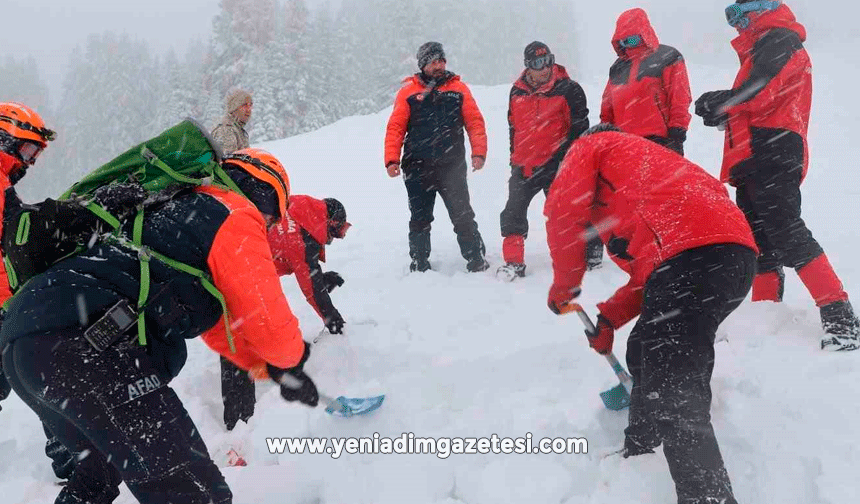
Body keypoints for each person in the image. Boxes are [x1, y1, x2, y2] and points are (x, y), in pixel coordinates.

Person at [1, 147, 318, 504]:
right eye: (274, 220)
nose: (271, 228)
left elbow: (222, 328)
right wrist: (291, 360)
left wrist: (268, 368)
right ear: (269, 199)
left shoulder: (168, 210)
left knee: (98, 476)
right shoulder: (232, 210)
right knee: (196, 494)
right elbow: (269, 324)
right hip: (88, 347)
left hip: (22, 346)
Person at [545, 124, 758, 504]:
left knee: (676, 388)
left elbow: (562, 212)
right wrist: (609, 320)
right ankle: (642, 442)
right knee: (648, 346)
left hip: (690, 259)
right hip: (733, 261)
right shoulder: (653, 173)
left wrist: (564, 288)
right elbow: (652, 276)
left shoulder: (591, 146)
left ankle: (706, 497)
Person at [695, 0, 860, 351]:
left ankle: (841, 318)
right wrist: (723, 113)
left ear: (759, 9)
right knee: (758, 240)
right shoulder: (763, 45)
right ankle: (766, 315)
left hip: (772, 149)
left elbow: (762, 90)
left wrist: (723, 101)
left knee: (785, 231)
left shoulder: (779, 38)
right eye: (731, 17)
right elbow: (758, 98)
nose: (736, 24)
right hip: (755, 153)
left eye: (740, 15)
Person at [219, 194, 350, 431]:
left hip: (239, 263)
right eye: (339, 231)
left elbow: (294, 260)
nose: (337, 238)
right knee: (239, 335)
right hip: (233, 270)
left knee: (247, 330)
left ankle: (241, 414)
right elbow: (309, 284)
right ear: (329, 222)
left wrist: (320, 278)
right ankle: (239, 421)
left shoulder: (302, 211)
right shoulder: (301, 236)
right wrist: (332, 319)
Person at [0, 102, 79, 482]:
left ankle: (74, 459)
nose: (29, 162)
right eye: (28, 150)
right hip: (7, 303)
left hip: (8, 300)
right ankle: (76, 461)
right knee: (47, 375)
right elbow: (10, 237)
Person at [384, 41, 489, 273]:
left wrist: (479, 152)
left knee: (462, 215)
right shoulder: (408, 93)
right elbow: (395, 128)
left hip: (452, 167)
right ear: (423, 65)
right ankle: (419, 262)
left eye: (441, 60)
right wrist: (391, 159)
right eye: (433, 61)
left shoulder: (459, 89)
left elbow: (475, 122)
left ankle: (476, 258)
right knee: (420, 220)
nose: (439, 65)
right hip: (417, 167)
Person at [498, 41, 597, 280]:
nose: (544, 68)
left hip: (557, 164)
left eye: (548, 61)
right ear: (527, 66)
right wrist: (515, 158)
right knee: (512, 213)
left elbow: (580, 130)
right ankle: (514, 263)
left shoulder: (569, 89)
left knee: (568, 214)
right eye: (538, 63)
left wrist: (570, 162)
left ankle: (588, 252)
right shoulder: (517, 91)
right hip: (524, 166)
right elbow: (514, 128)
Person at [600, 8, 692, 155]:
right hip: (623, 146)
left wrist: (676, 134)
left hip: (660, 141)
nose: (628, 45)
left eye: (632, 39)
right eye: (622, 42)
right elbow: (607, 109)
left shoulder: (667, 57)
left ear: (644, 33)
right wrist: (605, 137)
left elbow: (679, 98)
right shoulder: (618, 67)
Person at [211, 88, 252, 155]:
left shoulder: (238, 130)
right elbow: (228, 161)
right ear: (234, 108)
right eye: (244, 106)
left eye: (250, 105)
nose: (249, 110)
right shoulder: (226, 130)